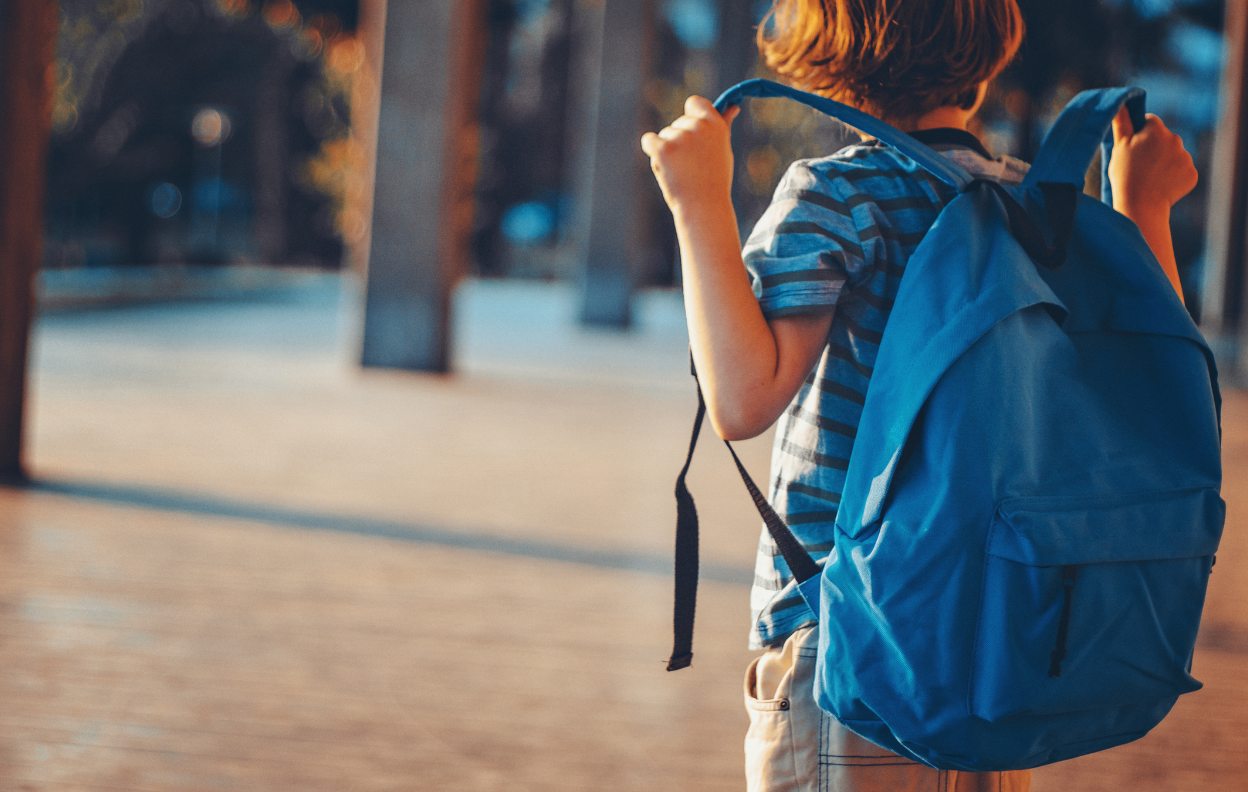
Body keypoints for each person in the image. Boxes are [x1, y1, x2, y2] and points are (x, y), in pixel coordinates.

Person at [639, 1, 1199, 790]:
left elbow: (742, 400)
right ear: (988, 55)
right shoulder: (1037, 208)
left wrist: (696, 201)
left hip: (854, 643)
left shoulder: (837, 195)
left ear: (827, 55)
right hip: (1002, 641)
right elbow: (1148, 389)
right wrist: (1143, 210)